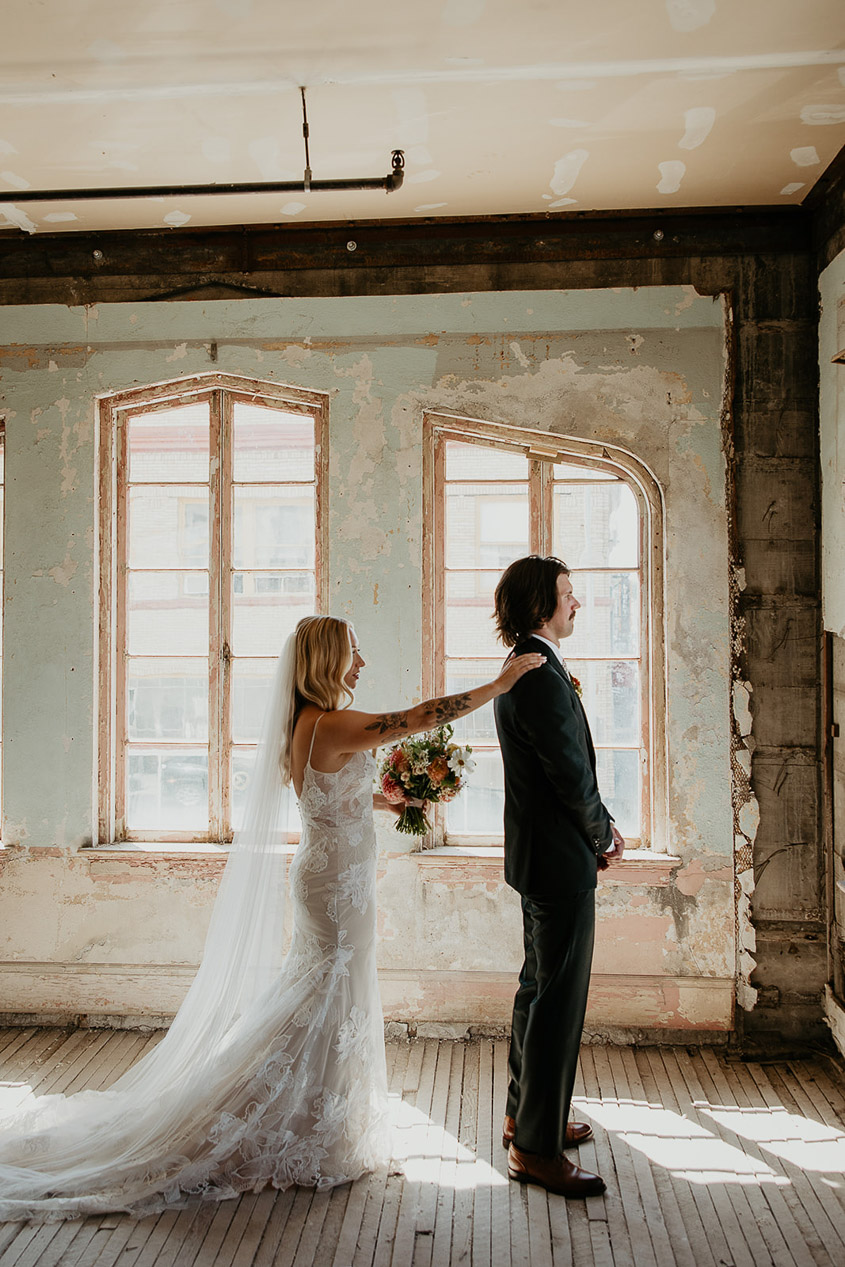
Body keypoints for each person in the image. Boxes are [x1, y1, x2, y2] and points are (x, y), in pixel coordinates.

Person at [0, 614, 543, 1222]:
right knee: (326, 992)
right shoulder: (332, 721)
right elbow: (417, 718)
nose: (360, 665)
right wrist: (496, 687)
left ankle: (318, 1117)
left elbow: (324, 792)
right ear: (327, 661)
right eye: (353, 655)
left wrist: (385, 799)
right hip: (337, 886)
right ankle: (300, 1123)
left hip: (329, 875)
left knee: (325, 992)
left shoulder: (306, 724)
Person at [492, 556, 625, 1199]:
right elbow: (569, 774)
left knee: (537, 992)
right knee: (556, 1005)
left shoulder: (529, 664)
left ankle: (527, 1119)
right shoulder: (538, 675)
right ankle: (536, 1152)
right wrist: (601, 834)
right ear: (542, 604)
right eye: (569, 596)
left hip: (541, 856)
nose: (578, 606)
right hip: (558, 860)